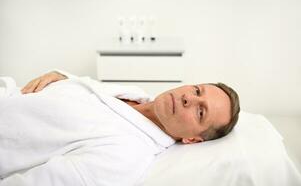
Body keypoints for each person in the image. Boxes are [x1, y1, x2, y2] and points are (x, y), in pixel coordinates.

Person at [0, 70, 240, 186]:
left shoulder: (125, 154)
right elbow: (89, 88)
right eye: (197, 90)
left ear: (192, 140)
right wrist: (63, 76)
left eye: (200, 111)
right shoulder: (136, 95)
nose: (189, 98)